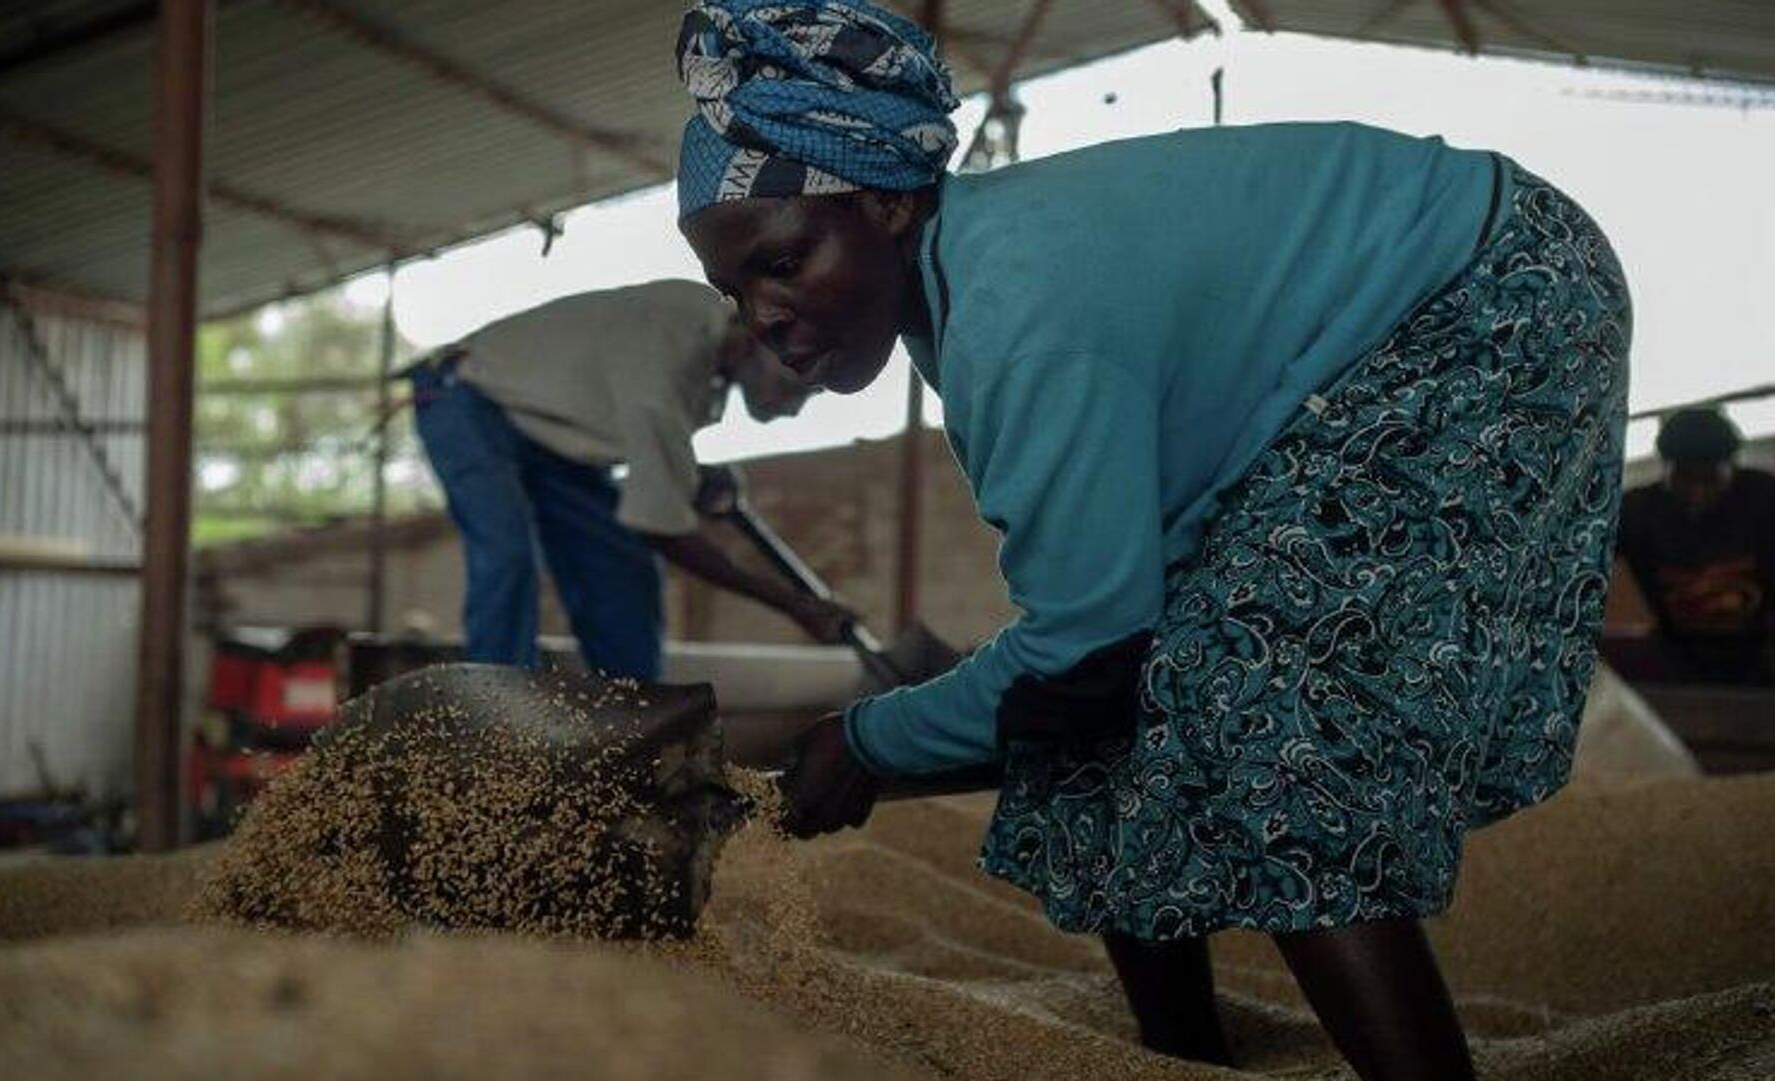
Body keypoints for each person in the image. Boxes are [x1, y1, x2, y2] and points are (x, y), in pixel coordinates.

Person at [671, 3, 1630, 1078]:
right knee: (1117, 722)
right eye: (737, 291)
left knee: (1259, 698)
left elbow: (1087, 651)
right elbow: (1099, 657)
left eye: (783, 261)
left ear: (888, 203)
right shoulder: (965, 298)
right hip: (1369, 350)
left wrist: (866, 742)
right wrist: (891, 739)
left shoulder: (1018, 309)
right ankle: (1182, 1057)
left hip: (1487, 296)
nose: (765, 315)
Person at [406, 279, 855, 681]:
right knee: (508, 553)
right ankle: (493, 722)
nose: (796, 407)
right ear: (762, 337)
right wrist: (792, 604)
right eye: (800, 382)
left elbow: (647, 438)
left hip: (556, 444)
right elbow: (659, 526)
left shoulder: (707, 346)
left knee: (625, 566)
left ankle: (633, 719)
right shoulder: (672, 345)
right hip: (467, 398)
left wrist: (688, 477)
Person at [1617, 407, 1775, 684]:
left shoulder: (1766, 499)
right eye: (1684, 479)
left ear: (1732, 467)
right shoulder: (1636, 512)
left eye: (1711, 480)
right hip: (1678, 659)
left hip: (1760, 655)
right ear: (1665, 469)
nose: (1697, 492)